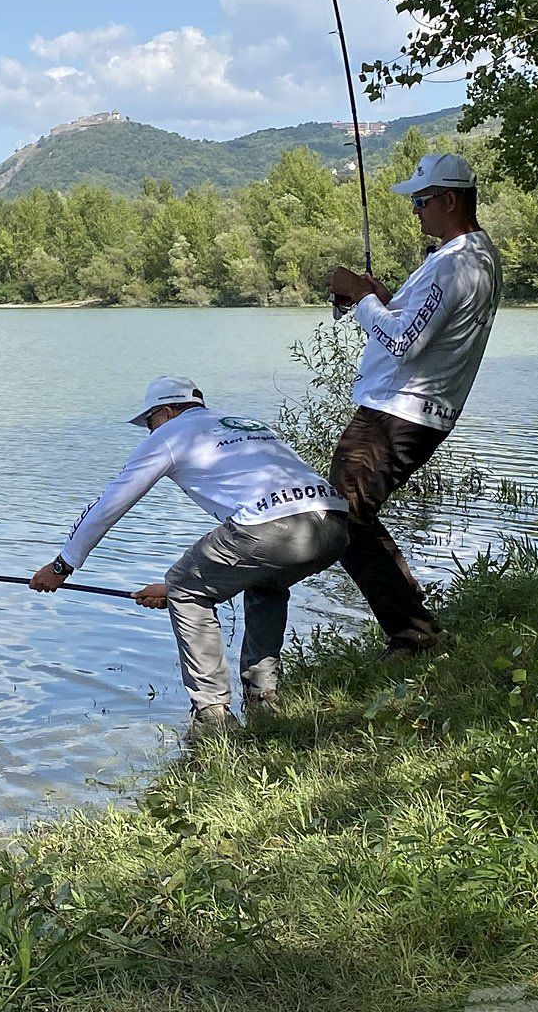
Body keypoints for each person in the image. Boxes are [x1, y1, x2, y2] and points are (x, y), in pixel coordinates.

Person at [31, 378, 351, 731]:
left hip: (271, 527)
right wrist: (175, 587)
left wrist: (63, 564)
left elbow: (110, 504)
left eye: (149, 422)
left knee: (186, 588)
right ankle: (263, 701)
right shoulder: (248, 423)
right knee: (265, 582)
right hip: (333, 525)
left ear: (165, 412)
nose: (148, 432)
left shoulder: (170, 435)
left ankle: (212, 716)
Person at [325, 151, 502, 659]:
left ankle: (412, 633)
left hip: (398, 412)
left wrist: (361, 299)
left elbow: (403, 343)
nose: (415, 211)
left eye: (421, 201)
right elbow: (416, 322)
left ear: (449, 199)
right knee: (351, 515)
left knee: (343, 518)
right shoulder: (469, 257)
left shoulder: (457, 264)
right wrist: (381, 297)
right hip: (409, 409)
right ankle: (412, 626)